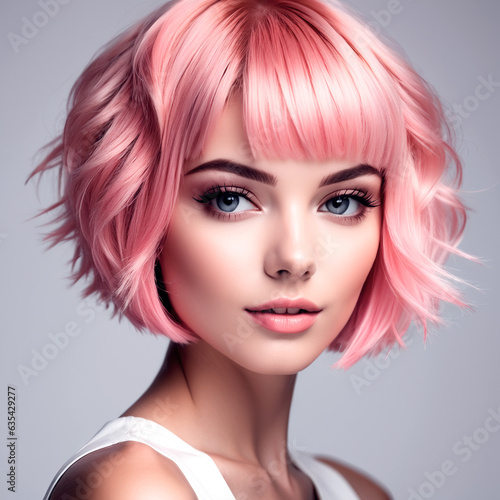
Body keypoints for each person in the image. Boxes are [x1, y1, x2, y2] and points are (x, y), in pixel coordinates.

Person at [31, 0, 468, 498]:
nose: (296, 257)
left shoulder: (359, 491)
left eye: (343, 202)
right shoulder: (134, 488)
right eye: (231, 198)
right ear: (137, 208)